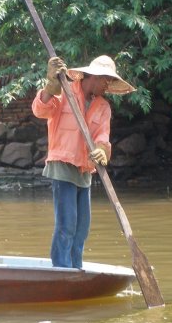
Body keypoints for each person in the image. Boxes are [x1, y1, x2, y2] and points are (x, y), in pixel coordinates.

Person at [31, 55, 135, 269]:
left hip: (84, 170)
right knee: (66, 224)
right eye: (106, 80)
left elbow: (102, 138)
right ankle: (61, 269)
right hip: (62, 164)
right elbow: (40, 110)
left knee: (82, 229)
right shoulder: (65, 92)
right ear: (94, 77)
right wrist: (50, 86)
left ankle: (75, 269)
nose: (107, 85)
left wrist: (101, 151)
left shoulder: (103, 106)